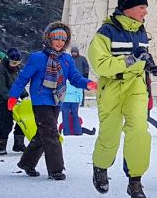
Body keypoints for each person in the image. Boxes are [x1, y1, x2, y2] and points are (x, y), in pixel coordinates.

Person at [87, 0, 157, 198]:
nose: (145, 12)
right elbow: (100, 65)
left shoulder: (141, 30)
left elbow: (143, 55)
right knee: (109, 136)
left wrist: (150, 65)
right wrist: (130, 60)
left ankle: (135, 180)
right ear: (128, 8)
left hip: (136, 87)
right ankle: (100, 166)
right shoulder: (106, 32)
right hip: (111, 87)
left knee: (139, 130)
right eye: (142, 7)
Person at [9, 22, 96, 180]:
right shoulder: (38, 58)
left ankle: (27, 163)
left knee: (43, 135)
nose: (59, 43)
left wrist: (87, 84)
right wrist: (13, 96)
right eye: (56, 39)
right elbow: (22, 78)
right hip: (41, 100)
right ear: (49, 39)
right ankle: (56, 170)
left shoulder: (67, 59)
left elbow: (75, 78)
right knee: (51, 134)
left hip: (57, 100)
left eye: (63, 40)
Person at [0, 49, 24, 155]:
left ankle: (19, 143)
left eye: (17, 63)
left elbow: (18, 83)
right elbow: (0, 87)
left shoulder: (16, 69)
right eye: (14, 63)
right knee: (6, 123)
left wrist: (24, 94)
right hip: (1, 100)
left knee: (23, 120)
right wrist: (10, 98)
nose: (15, 65)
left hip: (13, 99)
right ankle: (2, 144)